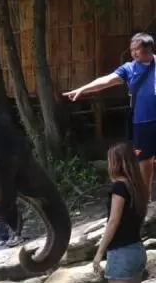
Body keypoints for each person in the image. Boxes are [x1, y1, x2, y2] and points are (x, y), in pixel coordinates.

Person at [65, 32, 156, 197]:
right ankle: (146, 198)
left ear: (149, 48)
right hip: (142, 122)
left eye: (137, 49)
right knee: (144, 160)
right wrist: (83, 89)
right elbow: (106, 80)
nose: (134, 53)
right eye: (131, 50)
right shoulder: (129, 68)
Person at [92, 142, 149, 283]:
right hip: (137, 249)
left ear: (116, 163)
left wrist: (99, 253)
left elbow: (113, 221)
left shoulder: (119, 187)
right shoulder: (138, 187)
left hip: (121, 252)